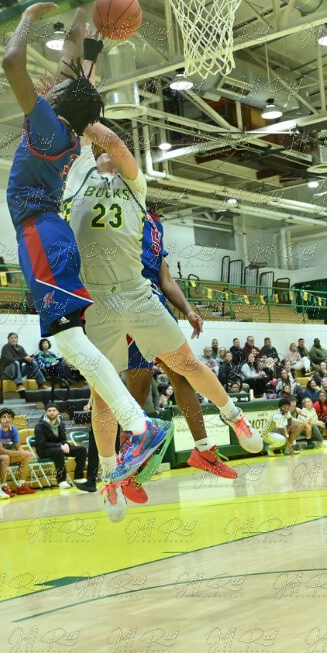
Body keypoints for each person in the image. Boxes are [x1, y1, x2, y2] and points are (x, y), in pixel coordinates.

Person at [1, 0, 170, 487]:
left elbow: (12, 63)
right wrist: (81, 11)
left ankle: (139, 426)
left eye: (56, 88)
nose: (51, 84)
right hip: (47, 234)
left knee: (69, 343)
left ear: (58, 103)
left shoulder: (48, 125)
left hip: (40, 233)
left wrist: (27, 19)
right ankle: (132, 438)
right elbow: (73, 68)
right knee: (70, 343)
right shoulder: (67, 127)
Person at [65, 138, 260, 504]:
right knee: (122, 393)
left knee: (182, 371)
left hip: (143, 298)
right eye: (105, 159)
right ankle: (121, 471)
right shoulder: (91, 192)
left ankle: (203, 446)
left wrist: (187, 308)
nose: (112, 163)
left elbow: (165, 276)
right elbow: (92, 156)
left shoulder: (151, 220)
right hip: (104, 300)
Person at [34, 404, 97, 491]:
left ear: (58, 412)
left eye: (54, 410)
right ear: (46, 412)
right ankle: (61, 480)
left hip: (58, 447)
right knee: (59, 451)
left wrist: (66, 444)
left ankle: (78, 477)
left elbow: (63, 439)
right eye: (49, 411)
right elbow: (42, 443)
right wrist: (61, 446)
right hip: (44, 450)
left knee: (81, 450)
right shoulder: (40, 425)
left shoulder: (61, 424)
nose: (52, 412)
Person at [0, 407, 40, 493]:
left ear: (12, 419)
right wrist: (19, 453)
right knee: (6, 457)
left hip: (4, 455)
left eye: (9, 417)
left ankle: (21, 485)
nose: (7, 419)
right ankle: (3, 486)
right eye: (4, 417)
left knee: (25, 456)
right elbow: (0, 450)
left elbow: (18, 446)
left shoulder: (13, 429)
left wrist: (23, 452)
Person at [0, 332, 40, 400]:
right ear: (8, 340)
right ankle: (19, 385)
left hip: (17, 372)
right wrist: (24, 358)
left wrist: (30, 358)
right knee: (16, 362)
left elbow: (25, 358)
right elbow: (10, 360)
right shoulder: (6, 347)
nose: (13, 339)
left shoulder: (20, 348)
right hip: (6, 373)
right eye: (11, 338)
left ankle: (41, 384)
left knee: (33, 363)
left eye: (15, 337)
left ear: (17, 339)